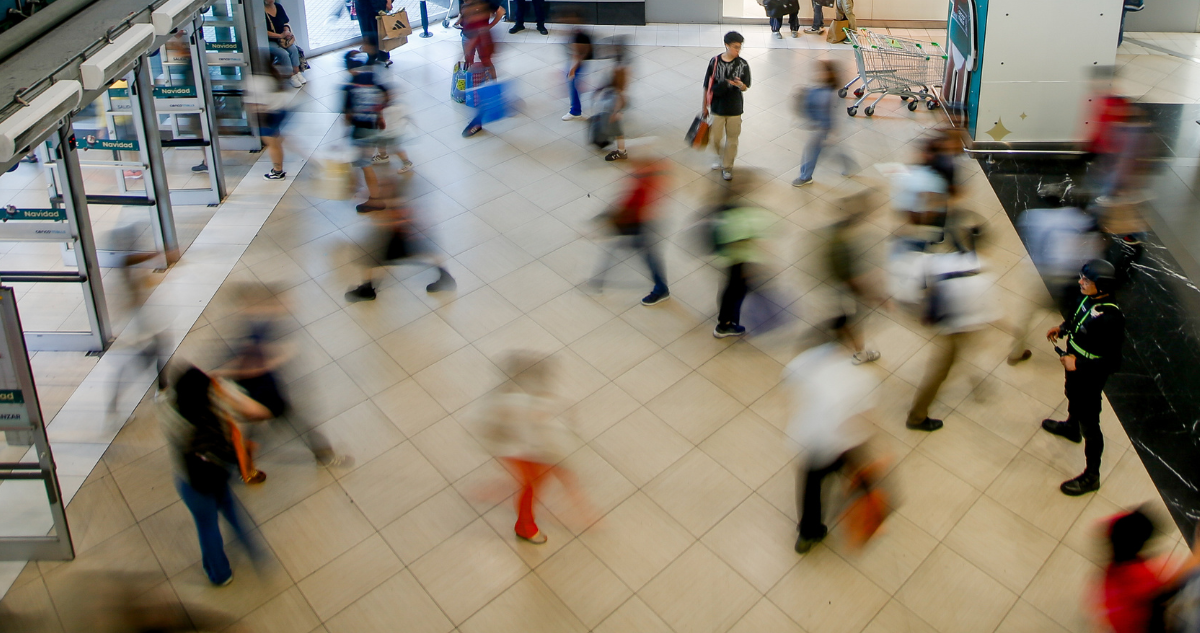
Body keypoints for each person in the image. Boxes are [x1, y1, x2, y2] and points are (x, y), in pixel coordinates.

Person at [160, 366, 270, 586]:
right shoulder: (214, 414)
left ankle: (219, 574)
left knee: (207, 526)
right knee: (232, 512)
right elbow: (252, 416)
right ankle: (254, 550)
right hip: (217, 476)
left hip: (191, 482)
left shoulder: (173, 413)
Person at [786, 326, 881, 553]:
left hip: (807, 439)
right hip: (840, 443)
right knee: (859, 472)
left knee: (810, 486)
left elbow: (790, 390)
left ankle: (808, 533)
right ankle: (867, 509)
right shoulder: (860, 378)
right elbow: (862, 420)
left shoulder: (806, 363)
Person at [478, 353, 587, 545]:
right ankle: (525, 528)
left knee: (541, 479)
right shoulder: (519, 406)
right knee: (532, 486)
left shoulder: (509, 399)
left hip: (523, 449)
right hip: (522, 451)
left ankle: (573, 500)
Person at [1042, 259, 1125, 495]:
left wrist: (1077, 363)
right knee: (1071, 395)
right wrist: (1063, 328)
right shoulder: (1087, 298)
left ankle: (1092, 475)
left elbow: (1113, 363)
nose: (1080, 282)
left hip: (1089, 376)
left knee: (1091, 424)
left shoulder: (1112, 319)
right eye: (1081, 277)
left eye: (1086, 280)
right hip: (1074, 368)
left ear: (1102, 286)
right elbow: (1077, 319)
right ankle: (1071, 427)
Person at [905, 248, 994, 431]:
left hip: (952, 323)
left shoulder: (942, 260)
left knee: (957, 358)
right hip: (954, 327)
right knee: (940, 370)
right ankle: (916, 417)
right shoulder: (975, 266)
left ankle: (977, 382)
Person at [345, 180, 456, 301]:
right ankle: (446, 278)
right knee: (428, 251)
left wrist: (379, 221)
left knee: (369, 256)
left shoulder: (398, 204)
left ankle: (367, 289)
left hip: (400, 236)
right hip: (408, 235)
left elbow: (394, 218)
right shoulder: (402, 199)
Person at [590, 155, 670, 306]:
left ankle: (661, 288)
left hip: (639, 224)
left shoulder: (644, 178)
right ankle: (598, 282)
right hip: (639, 223)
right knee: (645, 255)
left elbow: (631, 204)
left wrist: (606, 217)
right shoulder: (643, 174)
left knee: (645, 256)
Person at [826, 192, 882, 364]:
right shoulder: (841, 244)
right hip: (843, 293)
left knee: (841, 319)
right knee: (850, 320)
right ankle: (859, 352)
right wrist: (869, 294)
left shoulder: (835, 234)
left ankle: (840, 336)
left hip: (833, 290)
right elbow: (850, 277)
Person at [712, 181, 770, 338]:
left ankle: (728, 320)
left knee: (732, 290)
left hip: (733, 260)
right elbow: (737, 242)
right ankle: (725, 325)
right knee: (734, 290)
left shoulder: (725, 211)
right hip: (737, 261)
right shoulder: (733, 216)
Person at [793, 60, 855, 187]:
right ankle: (848, 165)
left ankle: (805, 176)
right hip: (818, 127)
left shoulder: (830, 95)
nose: (819, 74)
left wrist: (832, 132)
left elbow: (833, 115)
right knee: (832, 150)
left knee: (811, 152)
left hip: (822, 129)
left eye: (823, 72)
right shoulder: (818, 90)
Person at [342, 51, 390, 212]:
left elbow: (347, 115)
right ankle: (358, 188)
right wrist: (379, 115)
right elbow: (386, 95)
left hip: (360, 130)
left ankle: (375, 199)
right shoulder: (372, 79)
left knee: (365, 164)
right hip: (372, 127)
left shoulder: (350, 86)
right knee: (361, 162)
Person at [703, 31, 751, 182]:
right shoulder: (715, 62)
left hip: (735, 108)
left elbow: (746, 87)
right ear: (727, 45)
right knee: (715, 138)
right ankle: (722, 157)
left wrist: (740, 85)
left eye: (739, 47)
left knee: (732, 139)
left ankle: (727, 166)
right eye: (735, 47)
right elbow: (707, 85)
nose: (738, 50)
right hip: (717, 107)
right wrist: (704, 106)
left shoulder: (742, 64)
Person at [459, 0, 505, 138]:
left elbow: (487, 58)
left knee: (480, 84)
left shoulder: (482, 6)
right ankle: (490, 99)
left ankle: (477, 121)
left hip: (479, 55)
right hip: (470, 41)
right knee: (476, 80)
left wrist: (488, 26)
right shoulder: (470, 6)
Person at [246, 59, 291, 181]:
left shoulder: (254, 80)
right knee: (275, 140)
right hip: (279, 111)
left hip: (267, 115)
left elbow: (256, 103)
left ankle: (278, 172)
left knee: (272, 145)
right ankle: (278, 168)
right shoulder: (274, 74)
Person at [264, 0, 305, 87]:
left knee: (293, 49)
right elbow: (263, 31)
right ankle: (291, 76)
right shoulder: (261, 11)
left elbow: (285, 22)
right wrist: (279, 35)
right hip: (270, 40)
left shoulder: (278, 7)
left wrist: (286, 31)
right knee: (283, 54)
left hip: (283, 38)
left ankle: (297, 72)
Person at [561, 11, 592, 121]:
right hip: (575, 62)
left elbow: (579, 54)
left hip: (576, 63)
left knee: (574, 84)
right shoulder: (574, 32)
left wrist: (573, 69)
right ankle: (575, 109)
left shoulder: (578, 34)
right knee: (574, 85)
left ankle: (575, 110)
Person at [601, 60, 629, 161]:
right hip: (614, 110)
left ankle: (621, 152)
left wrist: (615, 113)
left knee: (618, 132)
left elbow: (620, 101)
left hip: (614, 112)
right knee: (617, 132)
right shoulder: (619, 89)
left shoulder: (618, 93)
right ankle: (621, 150)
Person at [353, 0, 392, 65]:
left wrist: (389, 1)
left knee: (380, 30)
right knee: (365, 29)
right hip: (362, 4)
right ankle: (371, 56)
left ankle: (384, 56)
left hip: (377, 4)